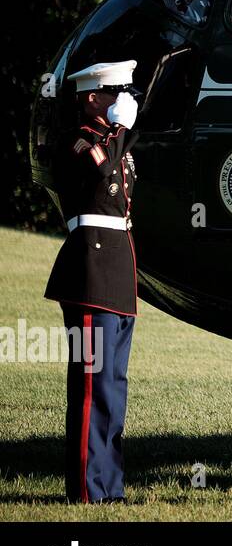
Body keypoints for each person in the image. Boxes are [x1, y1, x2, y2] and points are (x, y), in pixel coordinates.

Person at [43, 60, 143, 504]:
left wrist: (129, 124)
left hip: (117, 272)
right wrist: (119, 130)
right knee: (91, 386)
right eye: (115, 91)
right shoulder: (78, 141)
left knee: (113, 387)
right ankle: (86, 488)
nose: (123, 98)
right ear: (91, 97)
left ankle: (110, 487)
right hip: (89, 271)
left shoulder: (116, 140)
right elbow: (102, 171)